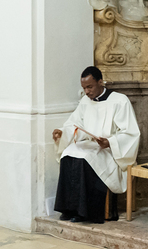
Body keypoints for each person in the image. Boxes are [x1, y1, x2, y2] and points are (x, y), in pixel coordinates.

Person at [53, 67, 140, 223]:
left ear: (100, 82)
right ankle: (69, 209)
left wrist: (109, 142)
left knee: (85, 159)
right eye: (84, 88)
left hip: (112, 151)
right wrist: (62, 133)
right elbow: (75, 124)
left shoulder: (120, 101)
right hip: (90, 145)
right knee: (67, 154)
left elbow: (130, 133)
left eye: (90, 87)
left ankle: (85, 212)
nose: (86, 92)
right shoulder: (85, 101)